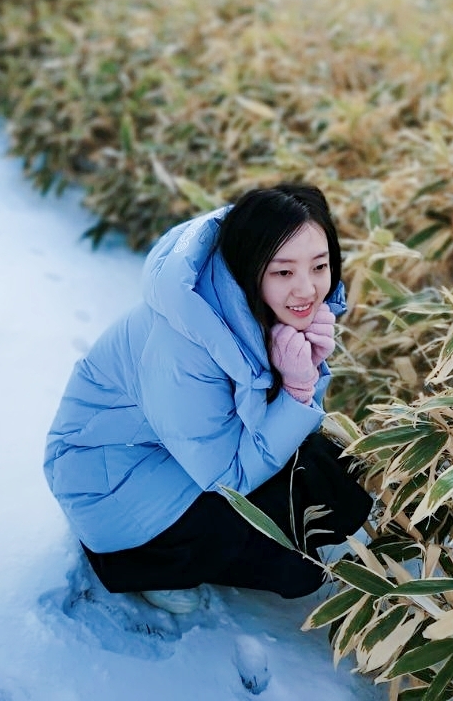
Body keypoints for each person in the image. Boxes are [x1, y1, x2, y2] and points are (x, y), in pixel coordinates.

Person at [44, 183, 372, 612]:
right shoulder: (182, 346)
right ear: (251, 265)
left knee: (326, 467)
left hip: (171, 455)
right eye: (284, 272)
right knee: (295, 559)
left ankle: (183, 551)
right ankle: (146, 565)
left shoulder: (248, 300)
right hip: (107, 485)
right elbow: (230, 480)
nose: (308, 289)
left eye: (320, 266)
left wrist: (303, 374)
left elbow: (288, 420)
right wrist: (296, 388)